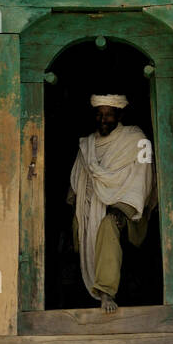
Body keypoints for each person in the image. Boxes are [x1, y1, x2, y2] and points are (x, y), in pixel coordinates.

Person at [66, 93, 157, 312]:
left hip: (128, 212)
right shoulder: (86, 145)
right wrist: (79, 205)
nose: (104, 119)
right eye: (99, 114)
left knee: (107, 225)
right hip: (90, 207)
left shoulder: (137, 140)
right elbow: (77, 181)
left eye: (109, 114)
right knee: (76, 228)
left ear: (120, 115)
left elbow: (144, 176)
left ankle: (106, 293)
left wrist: (122, 208)